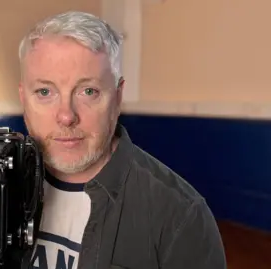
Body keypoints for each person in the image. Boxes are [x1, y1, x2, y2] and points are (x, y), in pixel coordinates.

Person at [17, 11, 227, 269]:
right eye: (45, 92)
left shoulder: (180, 215)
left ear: (117, 98)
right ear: (23, 99)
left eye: (88, 91)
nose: (66, 116)